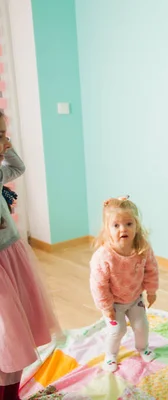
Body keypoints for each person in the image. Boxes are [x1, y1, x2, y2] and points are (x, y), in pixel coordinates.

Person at [0, 110, 61, 399]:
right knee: (8, 337)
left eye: (4, 134)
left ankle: (11, 391)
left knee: (20, 332)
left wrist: (6, 143)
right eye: (0, 135)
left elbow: (18, 167)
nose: (4, 141)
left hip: (11, 255)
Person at [89, 196, 159, 372]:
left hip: (135, 298)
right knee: (117, 330)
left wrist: (151, 291)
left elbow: (151, 270)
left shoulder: (142, 248)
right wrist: (106, 307)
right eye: (116, 225)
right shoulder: (103, 256)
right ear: (107, 229)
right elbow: (99, 285)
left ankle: (142, 348)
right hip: (113, 304)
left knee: (141, 325)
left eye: (129, 224)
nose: (123, 229)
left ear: (136, 225)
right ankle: (110, 355)